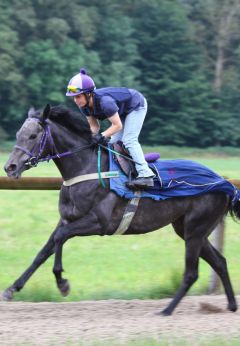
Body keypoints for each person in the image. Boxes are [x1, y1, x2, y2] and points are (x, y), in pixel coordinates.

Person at [66, 68, 154, 188]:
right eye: (74, 97)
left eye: (78, 96)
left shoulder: (105, 102)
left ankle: (146, 175)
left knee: (129, 140)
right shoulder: (84, 107)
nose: (76, 100)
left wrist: (101, 136)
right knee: (112, 143)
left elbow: (117, 125)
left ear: (88, 94)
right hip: (122, 111)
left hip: (136, 104)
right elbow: (94, 126)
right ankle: (126, 173)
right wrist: (89, 139)